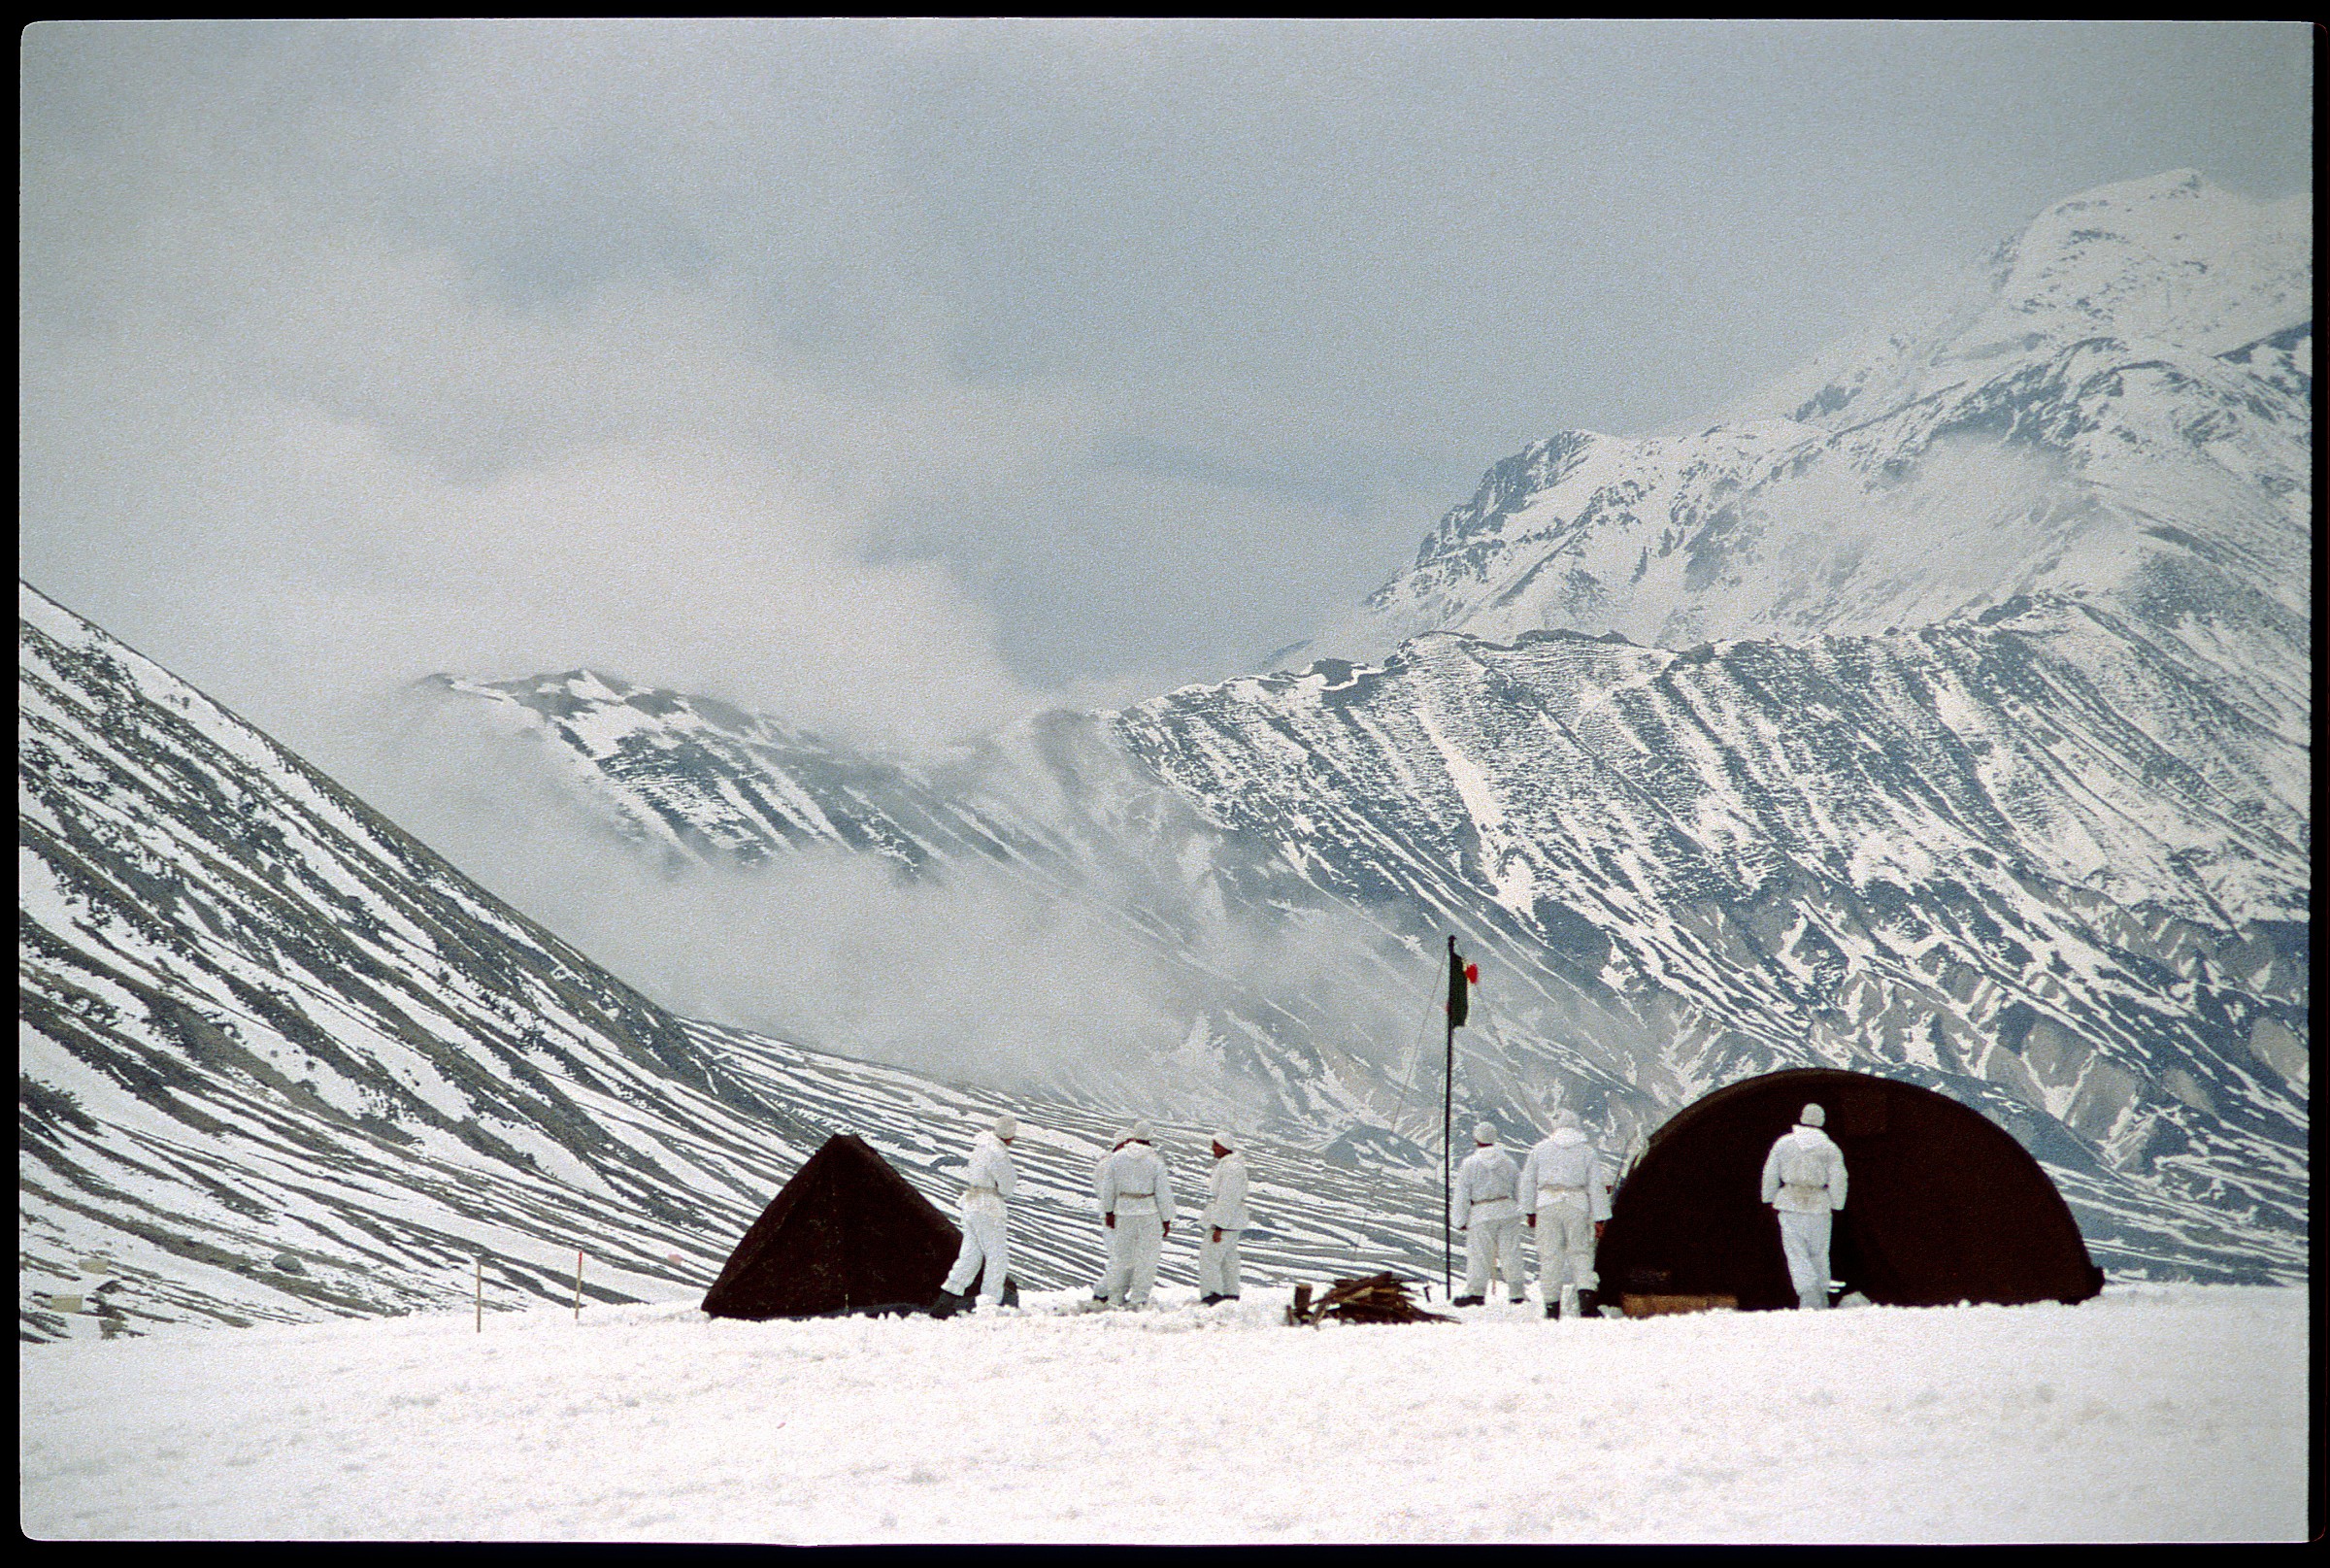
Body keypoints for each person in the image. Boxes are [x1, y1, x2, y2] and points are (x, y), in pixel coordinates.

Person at [1518, 1108, 1610, 1318]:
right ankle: (1586, 1303)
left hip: (1546, 1205)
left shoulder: (1540, 1149)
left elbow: (1528, 1182)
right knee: (1581, 1253)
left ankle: (1552, 1308)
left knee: (1550, 1256)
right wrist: (1600, 1218)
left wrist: (1530, 1211)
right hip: (1577, 1204)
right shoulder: (1587, 1151)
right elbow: (1595, 1186)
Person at [1760, 1102, 1848, 1310]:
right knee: (1819, 1252)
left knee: (1796, 1251)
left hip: (1790, 1202)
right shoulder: (1829, 1148)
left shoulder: (1784, 1143)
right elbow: (1838, 1178)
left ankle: (1808, 1292)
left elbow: (1770, 1172)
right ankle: (1821, 1296)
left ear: (1802, 1117)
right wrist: (1837, 1203)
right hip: (1818, 1204)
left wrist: (1768, 1197)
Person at [932, 1113, 1018, 1318]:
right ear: (1010, 1135)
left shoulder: (981, 1147)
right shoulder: (998, 1153)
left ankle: (946, 1300)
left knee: (971, 1255)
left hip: (971, 1204)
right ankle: (989, 1303)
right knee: (997, 1255)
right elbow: (1007, 1185)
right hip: (987, 1206)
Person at [1095, 1120, 1176, 1309]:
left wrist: (1108, 1211)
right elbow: (1163, 1192)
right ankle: (1138, 1298)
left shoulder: (1117, 1158)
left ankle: (1115, 1297)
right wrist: (1166, 1219)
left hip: (1123, 1211)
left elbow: (1109, 1188)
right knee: (1147, 1257)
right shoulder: (1155, 1161)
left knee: (1122, 1255)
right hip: (1148, 1211)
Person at [1451, 1121, 1525, 1308]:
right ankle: (1517, 1292)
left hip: (1481, 1212)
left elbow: (1462, 1193)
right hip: (1507, 1210)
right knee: (1511, 1252)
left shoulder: (1470, 1163)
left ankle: (1476, 1292)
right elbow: (1520, 1189)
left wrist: (1459, 1219)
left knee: (1479, 1254)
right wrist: (1522, 1211)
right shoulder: (1508, 1162)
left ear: (1476, 1139)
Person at [1082, 1128, 1137, 1312]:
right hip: (1113, 1217)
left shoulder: (1118, 1163)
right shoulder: (1108, 1164)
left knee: (1125, 1257)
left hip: (1122, 1216)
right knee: (1120, 1256)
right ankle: (1104, 1293)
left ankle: (1110, 1292)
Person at [1197, 1131, 1248, 1305]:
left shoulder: (1231, 1168)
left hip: (1226, 1222)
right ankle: (1230, 1293)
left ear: (1225, 1146)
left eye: (1216, 1145)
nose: (1213, 1148)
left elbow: (1227, 1198)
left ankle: (1212, 1294)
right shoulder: (1229, 1166)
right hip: (1232, 1220)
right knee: (1228, 1258)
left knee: (1209, 1257)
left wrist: (1219, 1226)